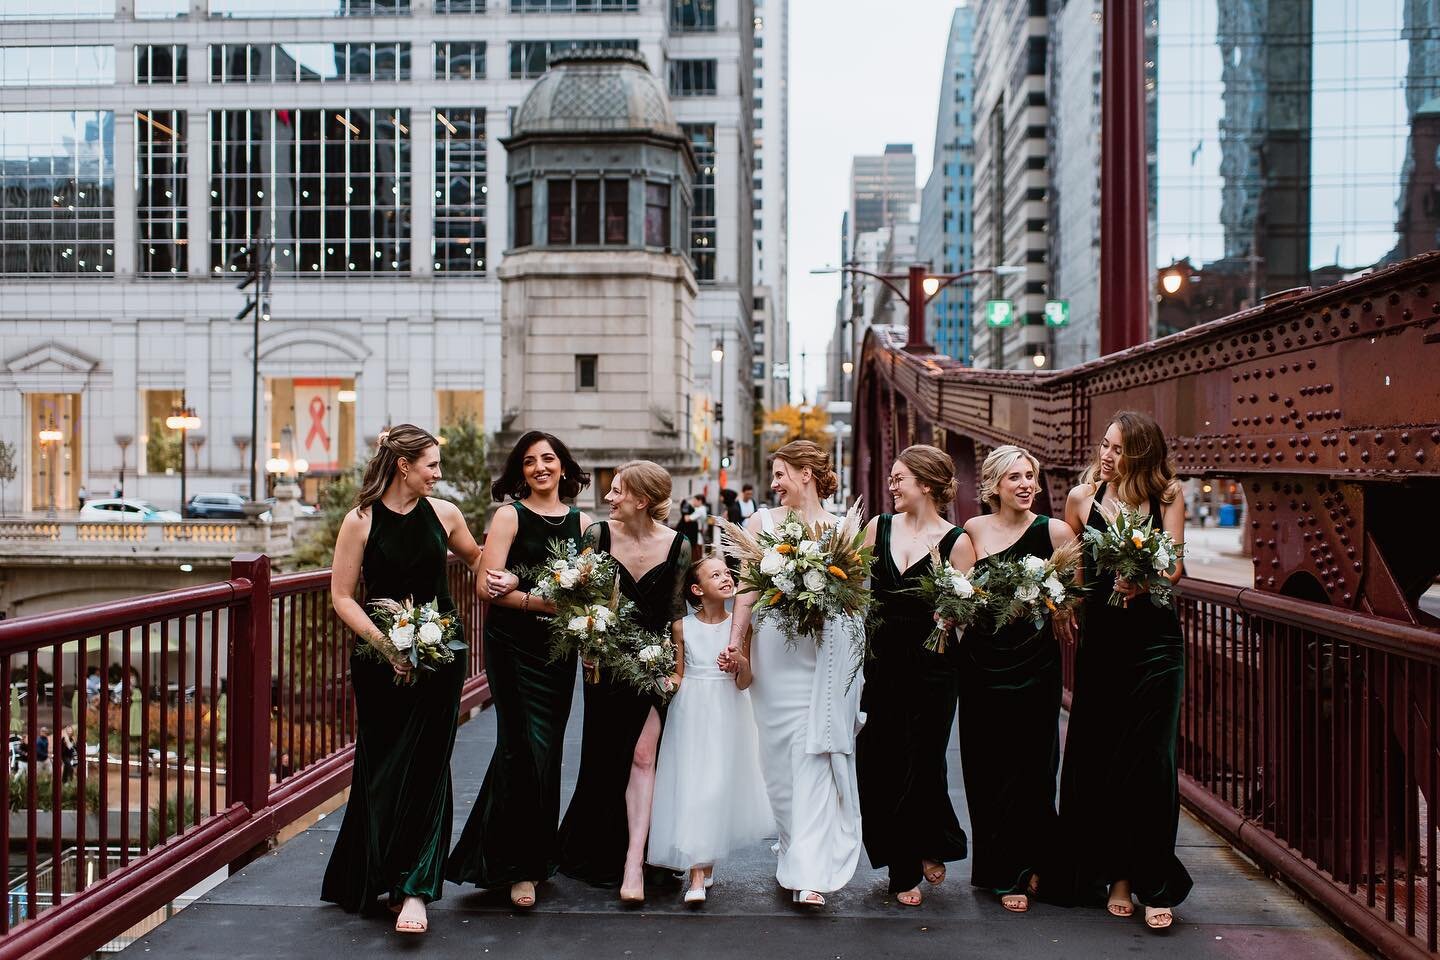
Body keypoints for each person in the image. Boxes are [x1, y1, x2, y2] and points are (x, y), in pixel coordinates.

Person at [320, 424, 483, 935]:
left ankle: (416, 888)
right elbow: (342, 596)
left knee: (430, 766)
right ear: (404, 466)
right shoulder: (360, 521)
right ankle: (381, 874)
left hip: (442, 658)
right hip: (378, 660)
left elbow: (479, 560)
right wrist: (388, 646)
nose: (439, 474)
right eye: (432, 464)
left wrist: (507, 581)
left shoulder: (446, 515)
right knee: (383, 766)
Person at [447, 431, 593, 909]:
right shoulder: (508, 516)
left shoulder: (584, 524)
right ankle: (519, 869)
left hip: (557, 650)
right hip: (512, 646)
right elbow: (487, 589)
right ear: (520, 472)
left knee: (545, 752)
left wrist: (529, 592)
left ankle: (526, 858)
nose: (540, 468)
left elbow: (587, 597)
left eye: (548, 458)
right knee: (521, 747)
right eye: (529, 462)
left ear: (564, 467)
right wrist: (545, 600)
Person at [1058, 411, 1192, 931]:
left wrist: (1144, 577)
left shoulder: (1167, 497)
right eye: (1103, 446)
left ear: (1138, 453)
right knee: (1102, 757)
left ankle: (1154, 881)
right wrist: (1061, 602)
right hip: (1104, 646)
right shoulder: (1080, 500)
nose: (1105, 456)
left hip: (1157, 642)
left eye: (1115, 448)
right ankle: (1114, 878)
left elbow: (1174, 567)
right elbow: (1071, 567)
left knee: (1152, 760)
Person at [720, 440, 865, 908]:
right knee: (779, 763)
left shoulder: (843, 529)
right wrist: (736, 642)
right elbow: (745, 588)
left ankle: (809, 873)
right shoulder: (761, 524)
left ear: (806, 473)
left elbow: (857, 598)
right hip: (773, 656)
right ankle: (793, 846)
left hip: (822, 655)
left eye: (781, 473)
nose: (775, 483)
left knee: (814, 753)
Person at [950, 445, 1077, 913]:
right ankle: (1001, 871)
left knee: (1035, 766)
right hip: (982, 664)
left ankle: (1034, 864)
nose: (1026, 485)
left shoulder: (1056, 531)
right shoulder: (973, 532)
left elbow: (1071, 597)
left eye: (1030, 476)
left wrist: (1056, 604)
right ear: (994, 486)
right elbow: (956, 599)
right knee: (987, 767)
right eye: (1015, 478)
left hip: (1034, 663)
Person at [558, 461, 689, 901]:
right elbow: (578, 596)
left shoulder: (679, 545)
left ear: (641, 500)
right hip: (604, 662)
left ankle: (637, 861)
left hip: (654, 663)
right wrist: (586, 643)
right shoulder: (597, 536)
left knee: (642, 753)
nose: (608, 497)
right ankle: (600, 848)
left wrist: (678, 669)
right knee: (603, 753)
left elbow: (676, 615)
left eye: (616, 491)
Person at [856, 445, 969, 907]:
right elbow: (851, 589)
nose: (891, 484)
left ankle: (908, 865)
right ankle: (916, 846)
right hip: (881, 661)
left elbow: (965, 608)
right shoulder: (876, 528)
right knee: (879, 758)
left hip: (933, 666)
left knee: (923, 760)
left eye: (899, 477)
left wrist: (951, 615)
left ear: (926, 484)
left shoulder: (956, 541)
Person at [648, 555, 773, 905]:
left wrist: (741, 663)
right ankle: (697, 874)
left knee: (716, 785)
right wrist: (661, 681)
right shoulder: (682, 627)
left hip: (727, 711)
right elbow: (679, 674)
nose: (726, 578)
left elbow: (744, 682)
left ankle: (706, 856)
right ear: (697, 589)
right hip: (692, 710)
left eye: (727, 573)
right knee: (695, 784)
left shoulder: (740, 625)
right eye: (715, 574)